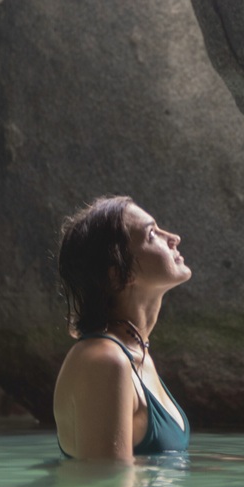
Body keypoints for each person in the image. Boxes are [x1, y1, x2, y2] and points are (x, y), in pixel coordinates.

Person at [53, 196, 192, 461]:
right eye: (152, 233)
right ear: (119, 273)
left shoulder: (136, 351)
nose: (173, 237)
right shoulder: (105, 360)